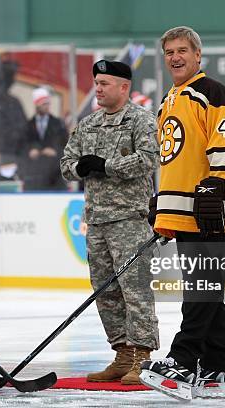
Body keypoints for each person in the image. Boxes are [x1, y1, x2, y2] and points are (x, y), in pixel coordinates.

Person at [141, 26, 225, 401]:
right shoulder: (169, 100)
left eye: (182, 50)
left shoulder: (213, 93)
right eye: (169, 51)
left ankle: (183, 360)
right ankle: (219, 372)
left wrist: (216, 185)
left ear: (198, 55)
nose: (175, 57)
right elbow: (175, 159)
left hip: (211, 212)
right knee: (205, 289)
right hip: (184, 212)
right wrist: (163, 200)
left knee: (201, 290)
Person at [60, 60, 160, 385]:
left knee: (135, 290)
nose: (98, 89)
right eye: (97, 83)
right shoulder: (88, 124)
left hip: (129, 219)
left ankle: (142, 358)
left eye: (104, 83)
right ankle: (122, 354)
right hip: (97, 221)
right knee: (105, 291)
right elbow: (66, 163)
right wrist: (81, 169)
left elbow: (149, 158)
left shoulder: (140, 120)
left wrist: (107, 166)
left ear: (124, 87)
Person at [20, 87, 68, 190]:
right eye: (44, 104)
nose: (47, 107)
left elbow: (67, 146)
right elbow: (22, 147)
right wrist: (30, 151)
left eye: (48, 104)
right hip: (34, 177)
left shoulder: (58, 124)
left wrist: (55, 152)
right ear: (37, 104)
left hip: (55, 177)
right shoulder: (28, 126)